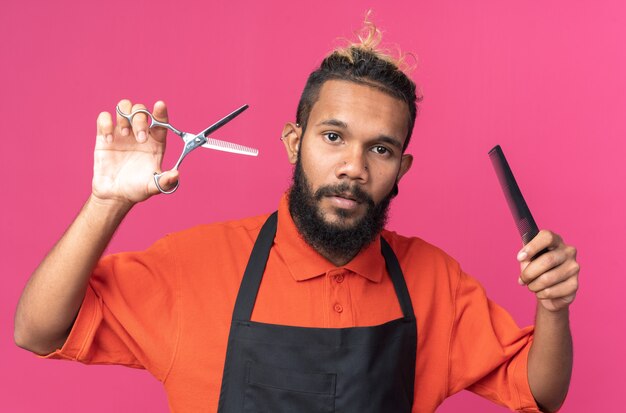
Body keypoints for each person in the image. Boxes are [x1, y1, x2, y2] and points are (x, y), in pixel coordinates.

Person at [14, 21, 578, 413]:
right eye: (333, 137)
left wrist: (552, 306)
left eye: (380, 150)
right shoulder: (194, 267)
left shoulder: (434, 282)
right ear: (294, 141)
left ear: (401, 166)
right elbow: (36, 331)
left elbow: (541, 391)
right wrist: (106, 203)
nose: (353, 166)